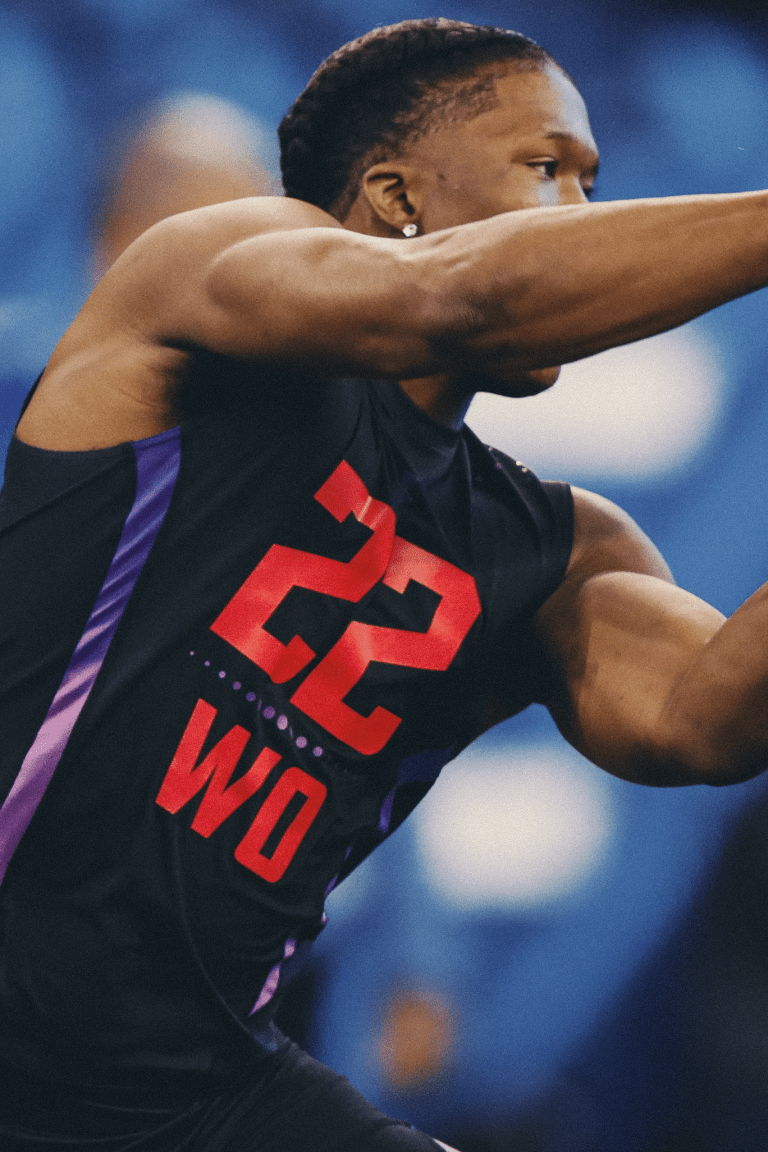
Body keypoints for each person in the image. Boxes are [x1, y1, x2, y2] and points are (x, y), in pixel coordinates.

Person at [2, 15, 768, 1151]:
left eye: (595, 186)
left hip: (200, 1092)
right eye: (548, 169)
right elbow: (460, 298)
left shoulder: (554, 552)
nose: (587, 221)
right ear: (396, 195)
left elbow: (705, 721)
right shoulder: (201, 287)